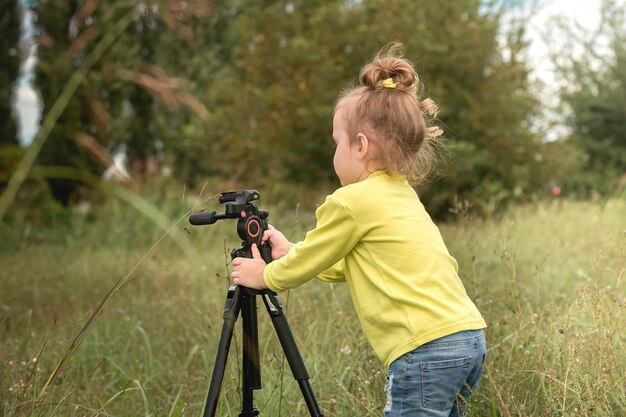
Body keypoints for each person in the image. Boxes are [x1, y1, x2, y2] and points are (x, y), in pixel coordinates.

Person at [231, 44, 487, 417]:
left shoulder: (352, 201)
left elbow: (305, 266)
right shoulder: (402, 194)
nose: (335, 153)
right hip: (467, 338)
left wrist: (266, 274)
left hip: (424, 348)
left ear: (360, 146)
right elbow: (345, 263)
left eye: (337, 143)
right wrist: (291, 251)